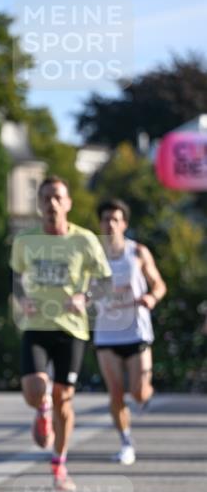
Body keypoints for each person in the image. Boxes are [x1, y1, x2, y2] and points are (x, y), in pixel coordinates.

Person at [11, 176, 111, 492]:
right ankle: (41, 410)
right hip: (37, 325)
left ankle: (59, 464)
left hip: (72, 329)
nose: (51, 203)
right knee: (34, 389)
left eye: (57, 197)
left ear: (67, 203)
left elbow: (104, 281)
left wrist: (85, 297)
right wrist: (21, 298)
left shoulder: (84, 241)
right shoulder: (25, 240)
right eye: (45, 198)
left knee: (64, 400)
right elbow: (16, 276)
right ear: (39, 205)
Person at [94, 199, 166, 465]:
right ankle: (125, 442)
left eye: (115, 219)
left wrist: (152, 298)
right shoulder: (93, 256)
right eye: (105, 219)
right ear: (100, 224)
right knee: (115, 392)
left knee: (137, 392)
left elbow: (159, 285)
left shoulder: (138, 252)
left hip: (137, 331)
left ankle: (145, 393)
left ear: (124, 223)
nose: (110, 224)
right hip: (106, 333)